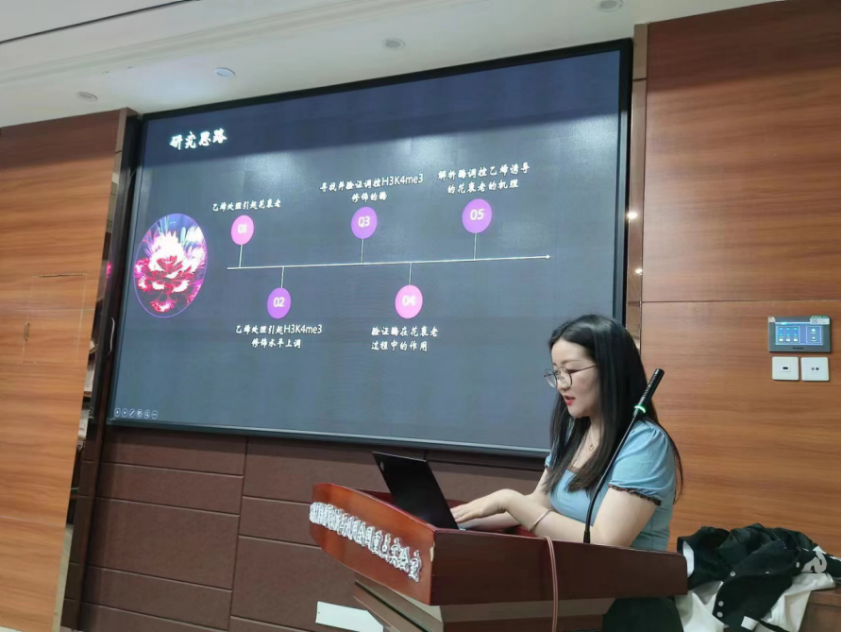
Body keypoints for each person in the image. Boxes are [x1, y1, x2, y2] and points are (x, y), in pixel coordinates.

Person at [452, 314, 685, 631]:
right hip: (578, 598)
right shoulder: (575, 431)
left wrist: (508, 499)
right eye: (556, 373)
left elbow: (605, 543)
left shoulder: (644, 443)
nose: (561, 384)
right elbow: (540, 503)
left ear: (611, 369)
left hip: (629, 611)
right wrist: (458, 521)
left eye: (571, 371)